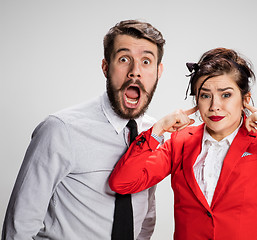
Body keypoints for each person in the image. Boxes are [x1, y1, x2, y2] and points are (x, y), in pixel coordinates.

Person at [108, 48, 257, 240]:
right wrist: (156, 130)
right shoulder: (179, 143)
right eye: (205, 95)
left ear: (246, 99)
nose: (214, 106)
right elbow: (123, 183)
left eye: (226, 94)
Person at [2, 20, 165, 240]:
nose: (135, 72)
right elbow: (19, 226)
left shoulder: (155, 134)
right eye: (124, 59)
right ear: (106, 67)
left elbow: (146, 216)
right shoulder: (60, 129)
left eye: (146, 61)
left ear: (158, 71)